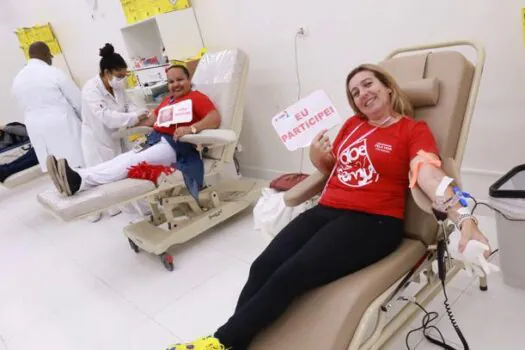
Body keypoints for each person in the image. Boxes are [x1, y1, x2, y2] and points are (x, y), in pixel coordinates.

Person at [161, 64, 493, 350]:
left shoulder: (411, 130)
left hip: (373, 222)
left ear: (388, 88)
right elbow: (339, 168)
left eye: (368, 84)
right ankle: (237, 341)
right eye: (354, 92)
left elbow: (430, 174)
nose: (362, 94)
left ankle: (221, 342)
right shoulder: (352, 126)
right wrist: (321, 163)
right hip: (327, 210)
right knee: (261, 267)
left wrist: (464, 218)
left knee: (291, 275)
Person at [46, 65, 221, 197]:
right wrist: (134, 122)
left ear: (189, 79)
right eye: (171, 81)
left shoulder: (196, 97)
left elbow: (214, 118)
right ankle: (75, 175)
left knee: (132, 162)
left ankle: (80, 182)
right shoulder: (168, 101)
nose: (176, 84)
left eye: (180, 80)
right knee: (122, 158)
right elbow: (153, 119)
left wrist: (191, 128)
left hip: (177, 146)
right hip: (155, 140)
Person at [81, 43, 149, 221]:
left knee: (129, 169)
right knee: (111, 178)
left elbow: (127, 104)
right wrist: (133, 118)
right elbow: (106, 116)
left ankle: (143, 207)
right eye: (119, 76)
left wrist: (139, 112)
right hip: (99, 139)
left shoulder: (117, 86)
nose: (122, 80)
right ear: (106, 73)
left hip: (119, 134)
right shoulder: (90, 90)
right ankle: (132, 215)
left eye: (124, 75)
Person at [11, 41, 84, 173]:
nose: (51, 59)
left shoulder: (18, 79)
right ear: (45, 54)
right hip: (61, 124)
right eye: (50, 55)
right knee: (76, 165)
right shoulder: (53, 73)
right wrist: (87, 124)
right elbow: (78, 102)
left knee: (55, 169)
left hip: (36, 128)